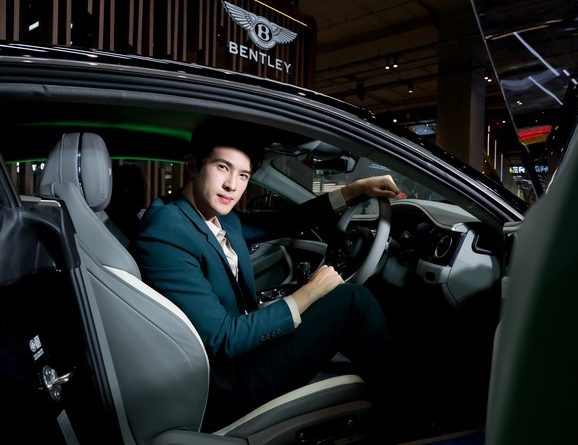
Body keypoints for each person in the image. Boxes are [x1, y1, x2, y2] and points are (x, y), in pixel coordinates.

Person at [130, 117, 401, 431]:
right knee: (353, 301)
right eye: (222, 167)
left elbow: (285, 222)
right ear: (192, 166)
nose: (232, 185)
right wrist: (309, 292)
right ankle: (400, 414)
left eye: (243, 175)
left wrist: (354, 190)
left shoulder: (217, 216)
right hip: (229, 381)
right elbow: (223, 339)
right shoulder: (166, 231)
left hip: (245, 353)